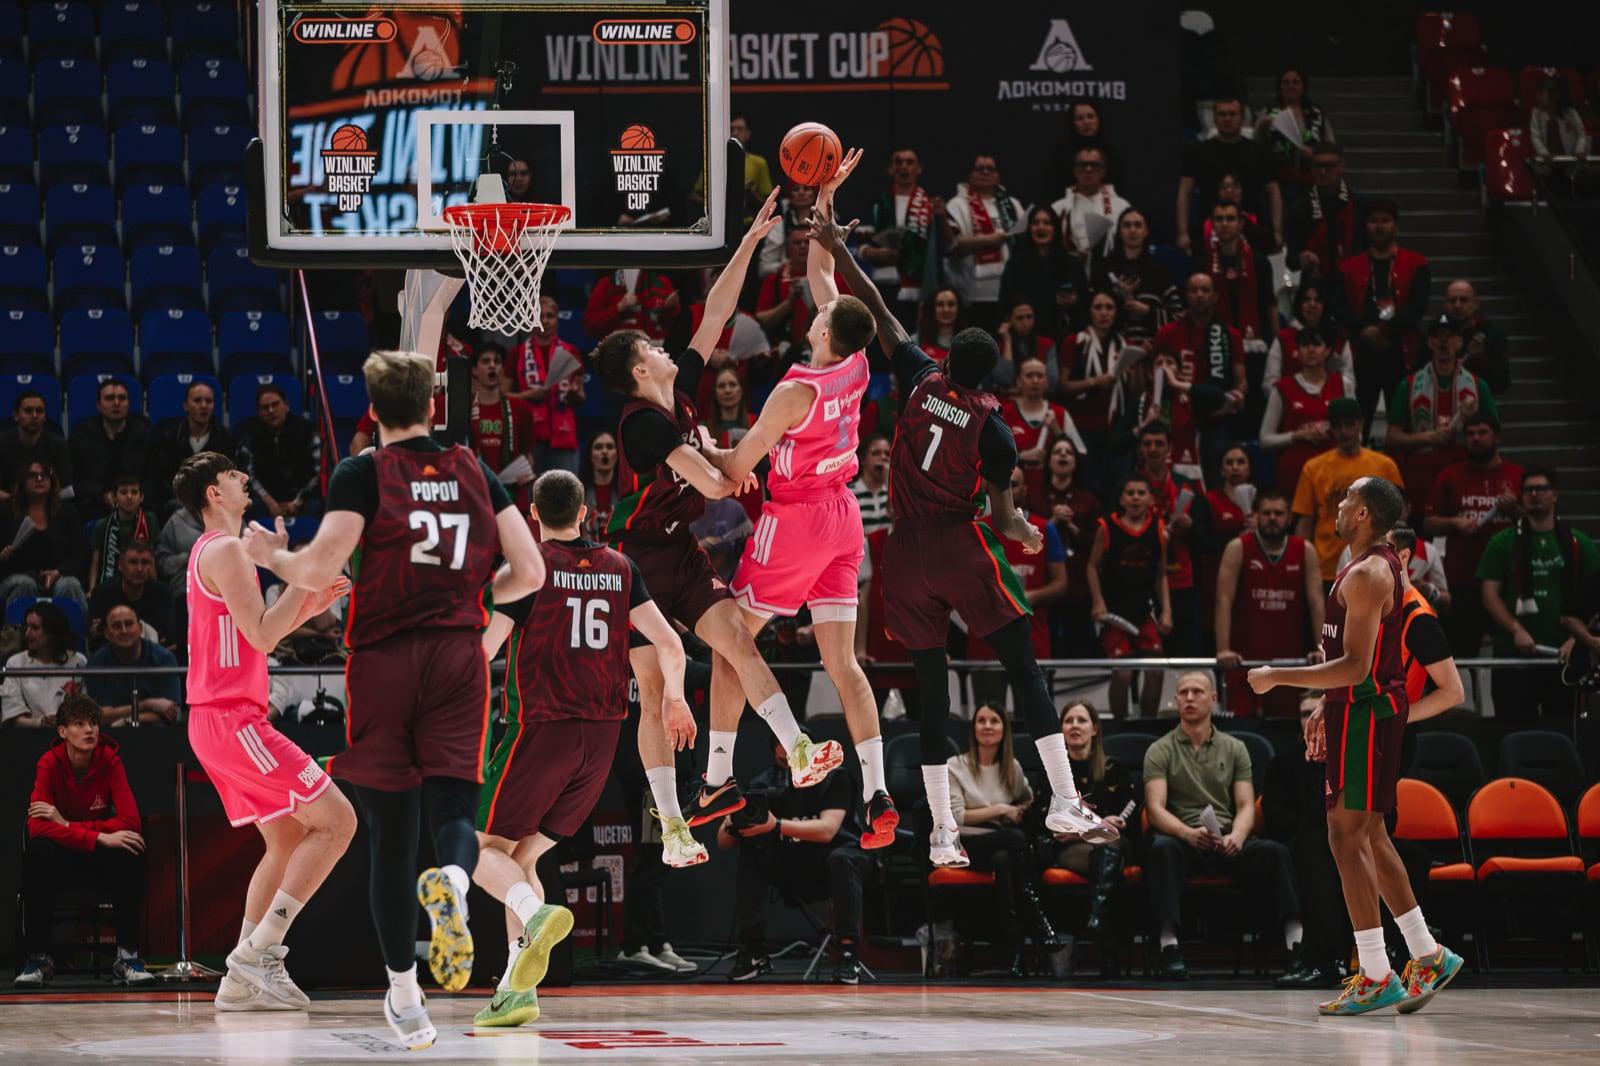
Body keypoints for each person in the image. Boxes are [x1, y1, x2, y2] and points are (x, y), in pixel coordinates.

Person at [241, 350, 545, 1048]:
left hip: (383, 662)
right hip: (458, 658)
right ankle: (456, 888)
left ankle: (406, 997)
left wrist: (271, 556)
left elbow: (319, 567)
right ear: (432, 406)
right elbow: (529, 571)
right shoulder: (475, 470)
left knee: (390, 836)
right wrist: (474, 593)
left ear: (374, 411)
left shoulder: (362, 472)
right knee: (454, 813)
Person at [808, 204, 1112, 869]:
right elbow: (1003, 519)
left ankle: (944, 833)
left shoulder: (920, 376)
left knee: (932, 693)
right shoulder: (995, 430)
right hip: (956, 545)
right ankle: (1064, 799)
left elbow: (880, 309)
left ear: (947, 359)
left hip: (903, 553)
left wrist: (837, 246)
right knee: (1023, 668)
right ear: (993, 377)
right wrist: (1027, 532)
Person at [592, 190, 837, 858]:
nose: (665, 345)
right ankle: (673, 827)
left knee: (739, 642)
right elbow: (716, 483)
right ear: (640, 368)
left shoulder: (675, 395)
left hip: (682, 552)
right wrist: (734, 460)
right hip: (635, 565)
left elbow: (717, 313)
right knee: (653, 694)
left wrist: (749, 242)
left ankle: (796, 749)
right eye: (652, 344)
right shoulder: (642, 425)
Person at [698, 154, 900, 848]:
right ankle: (877, 792)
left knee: (733, 639)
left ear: (824, 332)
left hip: (798, 520)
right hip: (845, 520)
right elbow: (822, 270)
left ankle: (720, 774)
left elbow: (736, 468)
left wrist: (698, 447)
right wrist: (824, 198)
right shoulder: (857, 362)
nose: (819, 305)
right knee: (844, 666)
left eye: (824, 312)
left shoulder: (794, 391)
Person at [470, 470, 693, 1026]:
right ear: (586, 512)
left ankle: (533, 911)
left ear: (533, 514)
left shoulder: (528, 569)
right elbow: (670, 644)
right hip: (602, 739)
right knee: (522, 858)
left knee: (477, 850)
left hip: (540, 728)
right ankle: (516, 991)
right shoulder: (622, 568)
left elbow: (482, 653)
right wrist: (675, 700)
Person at [1249, 476, 1463, 1013]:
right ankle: (1426, 953)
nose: (1338, 505)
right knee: (1368, 836)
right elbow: (1358, 661)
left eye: (1346, 499)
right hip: (1359, 709)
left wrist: (1278, 677)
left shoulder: (1369, 572)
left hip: (1368, 714)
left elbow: (1356, 667)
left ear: (1364, 513)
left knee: (1345, 838)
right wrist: (1327, 703)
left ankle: (1375, 972)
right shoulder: (1365, 565)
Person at [169, 451, 359, 1013]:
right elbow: (261, 636)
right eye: (233, 475)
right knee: (339, 821)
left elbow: (255, 632)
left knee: (285, 839)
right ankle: (258, 953)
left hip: (217, 720)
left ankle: (240, 980)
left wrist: (307, 600)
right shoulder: (226, 549)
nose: (244, 479)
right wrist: (302, 579)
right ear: (214, 493)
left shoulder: (213, 551)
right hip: (233, 719)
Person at [1144, 672, 1306, 982]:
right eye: (1183, 693)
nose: (1189, 698)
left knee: (1275, 853)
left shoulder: (1235, 747)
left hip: (1227, 836)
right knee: (1161, 849)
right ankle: (1169, 945)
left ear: (1213, 699)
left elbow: (1246, 805)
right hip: (1185, 838)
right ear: (1176, 700)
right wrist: (1188, 833)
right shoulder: (1160, 749)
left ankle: (1295, 944)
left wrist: (1238, 836)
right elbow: (1155, 809)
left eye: (1197, 692)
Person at [17, 695, 153, 986]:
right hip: (62, 859)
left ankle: (127, 956)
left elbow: (130, 822)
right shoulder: (49, 763)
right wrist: (100, 836)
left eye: (93, 723)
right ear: (63, 731)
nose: (89, 730)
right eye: (79, 724)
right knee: (38, 851)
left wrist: (67, 824)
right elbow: (37, 828)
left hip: (97, 859)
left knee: (131, 847)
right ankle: (39, 959)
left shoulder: (111, 761)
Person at [718, 741, 874, 985]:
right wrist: (733, 821)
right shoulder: (763, 784)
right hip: (793, 864)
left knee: (842, 860)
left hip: (836, 858)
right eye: (781, 743)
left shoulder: (835, 777)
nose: (788, 749)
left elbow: (827, 830)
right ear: (774, 751)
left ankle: (847, 954)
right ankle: (753, 952)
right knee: (753, 853)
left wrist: (776, 825)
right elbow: (723, 842)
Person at [945, 704, 1064, 973]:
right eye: (981, 720)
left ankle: (1013, 949)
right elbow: (956, 817)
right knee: (1017, 841)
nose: (987, 726)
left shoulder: (1012, 767)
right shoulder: (955, 766)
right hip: (964, 843)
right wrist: (1001, 810)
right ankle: (1038, 924)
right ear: (973, 728)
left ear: (1004, 729)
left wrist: (1018, 811)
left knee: (1004, 859)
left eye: (994, 721)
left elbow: (1029, 801)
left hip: (1001, 844)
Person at [1478, 468, 1600, 720]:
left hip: (1565, 657)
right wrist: (1516, 629)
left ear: (1555, 494)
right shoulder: (1502, 542)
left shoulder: (1579, 542)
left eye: (1542, 488)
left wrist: (1577, 638)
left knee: (1565, 731)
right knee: (1513, 731)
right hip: (1514, 657)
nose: (1534, 494)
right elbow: (1490, 594)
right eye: (1528, 490)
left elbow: (1594, 598)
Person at [1215, 488, 1324, 716]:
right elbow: (1223, 600)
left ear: (1289, 518)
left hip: (1289, 658)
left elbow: (1317, 603)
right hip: (1243, 657)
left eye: (1278, 513)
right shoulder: (1238, 547)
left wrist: (1319, 647)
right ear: (1255, 516)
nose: (1272, 518)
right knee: (1241, 722)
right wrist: (1223, 649)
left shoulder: (1305, 550)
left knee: (1286, 722)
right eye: (1266, 513)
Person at [1422, 413, 1523, 657]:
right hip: (1462, 580)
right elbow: (1427, 524)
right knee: (1462, 653)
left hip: (1509, 579)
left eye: (1482, 432)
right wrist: (1454, 522)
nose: (1476, 438)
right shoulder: (1450, 476)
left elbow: (1536, 523)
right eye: (1470, 434)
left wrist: (1515, 510)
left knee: (1512, 650)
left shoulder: (1517, 476)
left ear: (1496, 437)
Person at [1385, 314, 1500, 516]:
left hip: (1464, 471)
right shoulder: (1408, 385)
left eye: (1450, 336)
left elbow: (1495, 434)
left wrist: (1473, 426)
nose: (1444, 341)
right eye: (1438, 336)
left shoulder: (1477, 386)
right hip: (1421, 474)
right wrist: (1429, 437)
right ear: (1430, 342)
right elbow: (1392, 438)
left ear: (1460, 342)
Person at [1334, 200, 1431, 423]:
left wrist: (1384, 331)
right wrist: (1363, 329)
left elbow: (1417, 307)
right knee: (1358, 420)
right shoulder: (1348, 267)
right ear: (1365, 226)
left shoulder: (1417, 264)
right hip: (1361, 353)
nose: (1379, 226)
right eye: (1374, 221)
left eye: (1385, 221)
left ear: (1396, 226)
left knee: (1404, 420)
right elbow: (1338, 307)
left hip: (1401, 352)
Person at [1087, 475, 1172, 717]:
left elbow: (1161, 575)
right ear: (1122, 499)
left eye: (1141, 493)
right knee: (1123, 673)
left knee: (1155, 670)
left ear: (1151, 499)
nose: (1136, 497)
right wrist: (1098, 601)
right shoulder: (1106, 527)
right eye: (1130, 493)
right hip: (1114, 614)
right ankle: (1119, 726)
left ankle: (1147, 726)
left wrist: (1167, 611)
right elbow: (1091, 567)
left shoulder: (1160, 530)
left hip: (1144, 612)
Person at [1051, 702, 1137, 942]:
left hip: (1114, 843)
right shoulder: (1052, 772)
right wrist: (1096, 826)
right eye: (1068, 721)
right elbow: (1050, 823)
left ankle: (1096, 917)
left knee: (1110, 843)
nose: (1074, 726)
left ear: (1095, 729)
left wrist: (1082, 828)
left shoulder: (1114, 768)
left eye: (1081, 720)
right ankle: (1103, 927)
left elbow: (1125, 818)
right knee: (1109, 857)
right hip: (1071, 849)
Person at [1291, 398, 1402, 581]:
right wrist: (1300, 566)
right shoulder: (1313, 468)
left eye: (1349, 424)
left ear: (1361, 424)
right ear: (1331, 428)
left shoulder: (1385, 466)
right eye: (1337, 426)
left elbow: (1398, 518)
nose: (1344, 432)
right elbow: (1305, 524)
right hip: (1326, 567)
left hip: (1373, 564)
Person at [1152, 272, 1247, 474]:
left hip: (1214, 420)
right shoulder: (1167, 333)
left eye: (1205, 290)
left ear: (1215, 296)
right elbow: (1154, 376)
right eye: (1194, 290)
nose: (1200, 295)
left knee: (1214, 479)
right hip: (1176, 421)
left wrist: (1237, 394)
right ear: (1186, 295)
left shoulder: (1230, 335)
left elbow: (1240, 380)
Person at [1177, 94, 1283, 256]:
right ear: (1214, 119)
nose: (1227, 119)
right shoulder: (1199, 152)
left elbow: (1274, 192)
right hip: (1208, 231)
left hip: (1252, 230)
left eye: (1232, 114)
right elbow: (1184, 192)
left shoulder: (1259, 152)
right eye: (1222, 114)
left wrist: (1277, 231)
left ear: (1242, 118)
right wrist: (1182, 232)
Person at [1133, 420, 1205, 654]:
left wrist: (1190, 526)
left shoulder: (1187, 486)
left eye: (1159, 443)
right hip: (1142, 579)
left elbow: (1205, 535)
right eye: (1147, 444)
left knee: (1183, 648)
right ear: (1140, 449)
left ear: (1170, 448)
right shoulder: (1131, 488)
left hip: (1182, 577)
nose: (1153, 449)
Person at [860, 146, 946, 324]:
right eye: (898, 162)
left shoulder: (929, 205)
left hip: (920, 286)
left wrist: (941, 218)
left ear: (919, 168)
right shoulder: (878, 203)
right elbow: (860, 246)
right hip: (882, 285)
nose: (904, 167)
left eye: (909, 162)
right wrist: (874, 253)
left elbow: (949, 247)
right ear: (890, 169)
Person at [1259, 326, 1349, 493]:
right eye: (1305, 345)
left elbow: (1357, 431)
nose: (1311, 350)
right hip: (1294, 475)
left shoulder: (1343, 384)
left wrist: (1333, 430)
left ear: (1328, 350)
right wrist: (1297, 435)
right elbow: (1265, 439)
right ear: (1298, 352)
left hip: (1335, 474)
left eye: (1316, 344)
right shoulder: (1281, 388)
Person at [944, 153, 1026, 333]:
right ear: (970, 174)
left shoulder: (1012, 205)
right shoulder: (957, 205)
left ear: (998, 175)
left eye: (991, 169)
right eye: (980, 169)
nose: (986, 172)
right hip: (972, 295)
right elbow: (952, 246)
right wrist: (989, 240)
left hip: (1009, 293)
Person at [507, 296, 587, 478]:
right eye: (539, 316)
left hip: (563, 435)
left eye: (550, 316)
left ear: (557, 319)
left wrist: (574, 394)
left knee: (565, 490)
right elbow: (502, 395)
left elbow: (581, 397)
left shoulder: (571, 352)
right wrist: (529, 395)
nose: (545, 321)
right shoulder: (516, 353)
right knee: (532, 491)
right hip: (529, 437)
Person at [1038, 438, 1102, 656]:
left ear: (1076, 462)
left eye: (1069, 452)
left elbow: (1099, 544)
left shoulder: (1088, 500)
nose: (1063, 455)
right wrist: (1052, 523)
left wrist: (1072, 527)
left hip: (1080, 587)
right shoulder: (1036, 498)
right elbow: (1024, 541)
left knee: (1082, 653)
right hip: (1045, 586)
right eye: (1057, 451)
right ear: (1049, 461)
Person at [0, 461, 87, 613]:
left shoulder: (66, 511)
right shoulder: (7, 512)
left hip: (59, 575)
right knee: (25, 585)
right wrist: (2, 557)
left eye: (44, 475)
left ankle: (74, 629)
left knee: (69, 586)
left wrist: (58, 572)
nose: (39, 479)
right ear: (23, 481)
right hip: (17, 576)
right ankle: (14, 628)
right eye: (32, 475)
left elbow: (79, 556)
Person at [1089, 207, 1182, 344]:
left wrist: (1147, 311)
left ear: (1146, 232)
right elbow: (1090, 313)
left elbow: (1178, 318)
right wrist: (1116, 295)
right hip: (1110, 347)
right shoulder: (1103, 269)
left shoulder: (1160, 272)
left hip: (1151, 348)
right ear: (1119, 232)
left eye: (1138, 225)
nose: (1132, 230)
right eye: (1127, 225)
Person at [1200, 201, 1276, 364]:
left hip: (1255, 343)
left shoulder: (1259, 262)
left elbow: (1270, 304)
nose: (1224, 224)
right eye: (1219, 219)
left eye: (1230, 219)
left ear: (1240, 224)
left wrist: (1278, 344)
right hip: (1214, 345)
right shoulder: (1201, 264)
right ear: (1212, 225)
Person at [1057, 290, 1125, 469]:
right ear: (1089, 311)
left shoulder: (1123, 345)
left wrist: (1136, 366)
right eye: (1098, 307)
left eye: (1109, 307)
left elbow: (1134, 389)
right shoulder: (1074, 342)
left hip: (1115, 426)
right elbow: (1063, 385)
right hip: (1083, 424)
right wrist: (1095, 382)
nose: (1104, 313)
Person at [69, 378, 153, 521]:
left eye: (122, 398)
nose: (116, 403)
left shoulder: (144, 435)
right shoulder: (82, 436)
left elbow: (152, 479)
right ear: (98, 405)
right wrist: (102, 495)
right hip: (94, 505)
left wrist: (132, 495)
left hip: (137, 504)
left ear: (128, 404)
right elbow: (76, 481)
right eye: (109, 398)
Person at [999, 206, 1088, 343]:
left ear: (1055, 228)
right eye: (1035, 223)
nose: (1041, 227)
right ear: (1029, 228)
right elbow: (1005, 302)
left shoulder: (1071, 264)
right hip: (1025, 337)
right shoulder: (1015, 264)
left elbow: (1085, 302)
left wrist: (1073, 301)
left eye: (1047, 223)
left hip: (1063, 336)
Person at [465, 341, 537, 507]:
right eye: (486, 361)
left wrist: (528, 473)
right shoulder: (463, 409)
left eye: (497, 362)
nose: (492, 365)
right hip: (474, 491)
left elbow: (528, 456)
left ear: (502, 370)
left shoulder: (521, 409)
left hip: (511, 495)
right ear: (474, 370)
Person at [236, 384, 322, 523]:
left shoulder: (307, 430)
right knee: (251, 507)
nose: (271, 410)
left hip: (300, 497)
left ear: (286, 406)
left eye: (275, 404)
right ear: (259, 413)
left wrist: (297, 502)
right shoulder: (249, 433)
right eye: (265, 407)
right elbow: (247, 474)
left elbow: (316, 472)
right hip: (264, 499)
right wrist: (270, 502)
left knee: (315, 507)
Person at [84, 604, 181, 726]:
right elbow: (101, 716)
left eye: (129, 624)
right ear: (107, 633)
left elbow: (172, 713)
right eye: (116, 626)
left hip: (157, 732)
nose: (124, 631)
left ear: (140, 629)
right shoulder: (96, 663)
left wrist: (128, 721)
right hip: (111, 732)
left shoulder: (163, 658)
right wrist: (148, 704)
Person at [1284, 144, 1366, 286]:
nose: (1322, 172)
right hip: (1314, 286)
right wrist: (1302, 258)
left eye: (1328, 166)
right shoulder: (1299, 209)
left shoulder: (1359, 205)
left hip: (1353, 283)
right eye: (1317, 166)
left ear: (1341, 167)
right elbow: (1291, 261)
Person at [148, 379, 233, 514]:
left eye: (209, 401)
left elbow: (229, 478)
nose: (204, 405)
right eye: (197, 400)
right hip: (180, 501)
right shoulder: (170, 438)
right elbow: (164, 480)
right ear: (186, 406)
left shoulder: (226, 439)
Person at [1, 602, 87, 727]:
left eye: (35, 628)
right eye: (26, 627)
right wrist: (40, 723)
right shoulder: (15, 663)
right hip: (30, 734)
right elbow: (12, 717)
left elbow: (88, 709)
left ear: (52, 631)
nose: (27, 633)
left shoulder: (78, 661)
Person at [1263, 281, 1353, 397]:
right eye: (1306, 300)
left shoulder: (1338, 338)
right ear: (1299, 304)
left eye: (1318, 300)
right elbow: (1269, 383)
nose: (1312, 304)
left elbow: (1349, 380)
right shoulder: (1283, 338)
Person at [1255, 68, 1336, 191]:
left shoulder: (1317, 113)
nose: (1291, 86)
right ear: (1279, 87)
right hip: (1277, 178)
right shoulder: (1269, 111)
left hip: (1311, 176)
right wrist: (1262, 127)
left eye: (1296, 82)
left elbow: (1330, 145)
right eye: (1286, 83)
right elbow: (1256, 142)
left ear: (1303, 87)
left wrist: (1315, 152)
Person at [86, 540, 174, 648]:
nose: (140, 569)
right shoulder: (102, 593)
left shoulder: (162, 594)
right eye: (133, 562)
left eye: (145, 562)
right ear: (120, 564)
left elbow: (167, 638)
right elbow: (95, 639)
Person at [1051, 146, 1131, 261]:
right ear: (1075, 171)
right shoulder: (1058, 208)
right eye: (1082, 165)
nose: (1088, 169)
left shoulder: (1122, 206)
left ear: (1103, 172)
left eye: (1094, 165)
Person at [88, 475, 160, 591]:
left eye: (134, 492)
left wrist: (155, 589)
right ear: (114, 497)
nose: (129, 497)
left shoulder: (149, 520)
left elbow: (151, 559)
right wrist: (92, 590)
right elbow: (95, 563)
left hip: (142, 581)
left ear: (141, 497)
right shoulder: (103, 525)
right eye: (123, 492)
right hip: (111, 581)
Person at [0, 390, 72, 506]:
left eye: (39, 411)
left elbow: (65, 489)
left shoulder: (59, 446)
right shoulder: (2, 445)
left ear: (44, 416)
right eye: (28, 410)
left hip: (48, 507)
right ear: (16, 415)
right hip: (8, 506)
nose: (34, 415)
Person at [1441, 279, 1509, 396]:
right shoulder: (1436, 335)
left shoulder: (1492, 335)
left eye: (1464, 300)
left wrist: (1480, 358)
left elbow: (1501, 384)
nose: (1457, 305)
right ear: (1445, 305)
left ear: (1475, 304)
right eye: (1452, 301)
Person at [584, 268, 679, 342]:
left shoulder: (661, 283)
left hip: (655, 349)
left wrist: (669, 309)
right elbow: (591, 326)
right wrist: (619, 307)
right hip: (618, 352)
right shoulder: (606, 284)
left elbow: (676, 328)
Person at [756, 182, 818, 279]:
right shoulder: (779, 227)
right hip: (787, 279)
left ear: (814, 195)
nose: (801, 193)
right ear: (789, 196)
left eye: (806, 189)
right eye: (796, 189)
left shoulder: (826, 225)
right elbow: (764, 269)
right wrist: (788, 266)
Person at [996, 303, 1059, 393]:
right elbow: (1004, 380)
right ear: (1008, 320)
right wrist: (1007, 341)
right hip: (1009, 400)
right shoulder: (999, 346)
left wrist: (1014, 390)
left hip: (1040, 399)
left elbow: (1052, 383)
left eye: (1029, 317)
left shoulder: (1047, 344)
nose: (1025, 323)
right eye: (1019, 318)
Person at [1528, 76, 1589, 160]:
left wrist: (1579, 151)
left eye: (1541, 93)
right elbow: (1535, 137)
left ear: (1555, 95)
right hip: (1548, 161)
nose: (1537, 97)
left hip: (1570, 160)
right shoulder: (1536, 113)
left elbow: (1581, 135)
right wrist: (1544, 153)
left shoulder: (1570, 113)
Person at [850, 433, 891, 538]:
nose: (883, 457)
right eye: (876, 453)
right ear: (863, 459)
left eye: (887, 454)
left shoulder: (893, 492)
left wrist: (888, 481)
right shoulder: (851, 494)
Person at [581, 431, 619, 538]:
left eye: (609, 447)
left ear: (617, 455)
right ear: (590, 456)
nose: (604, 451)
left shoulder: (627, 492)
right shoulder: (578, 494)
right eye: (598, 447)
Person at [913, 286, 965, 361]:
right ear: (932, 309)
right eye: (940, 304)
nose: (946, 309)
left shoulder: (969, 342)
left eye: (951, 304)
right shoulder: (916, 341)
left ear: (958, 308)